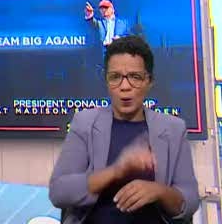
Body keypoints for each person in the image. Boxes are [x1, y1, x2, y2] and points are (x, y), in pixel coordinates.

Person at [49, 36, 199, 223]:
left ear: (149, 82)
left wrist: (159, 191)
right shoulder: (85, 123)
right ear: (106, 81)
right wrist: (116, 171)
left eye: (135, 77)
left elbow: (190, 200)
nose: (125, 87)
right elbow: (59, 192)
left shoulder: (173, 129)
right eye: (115, 77)